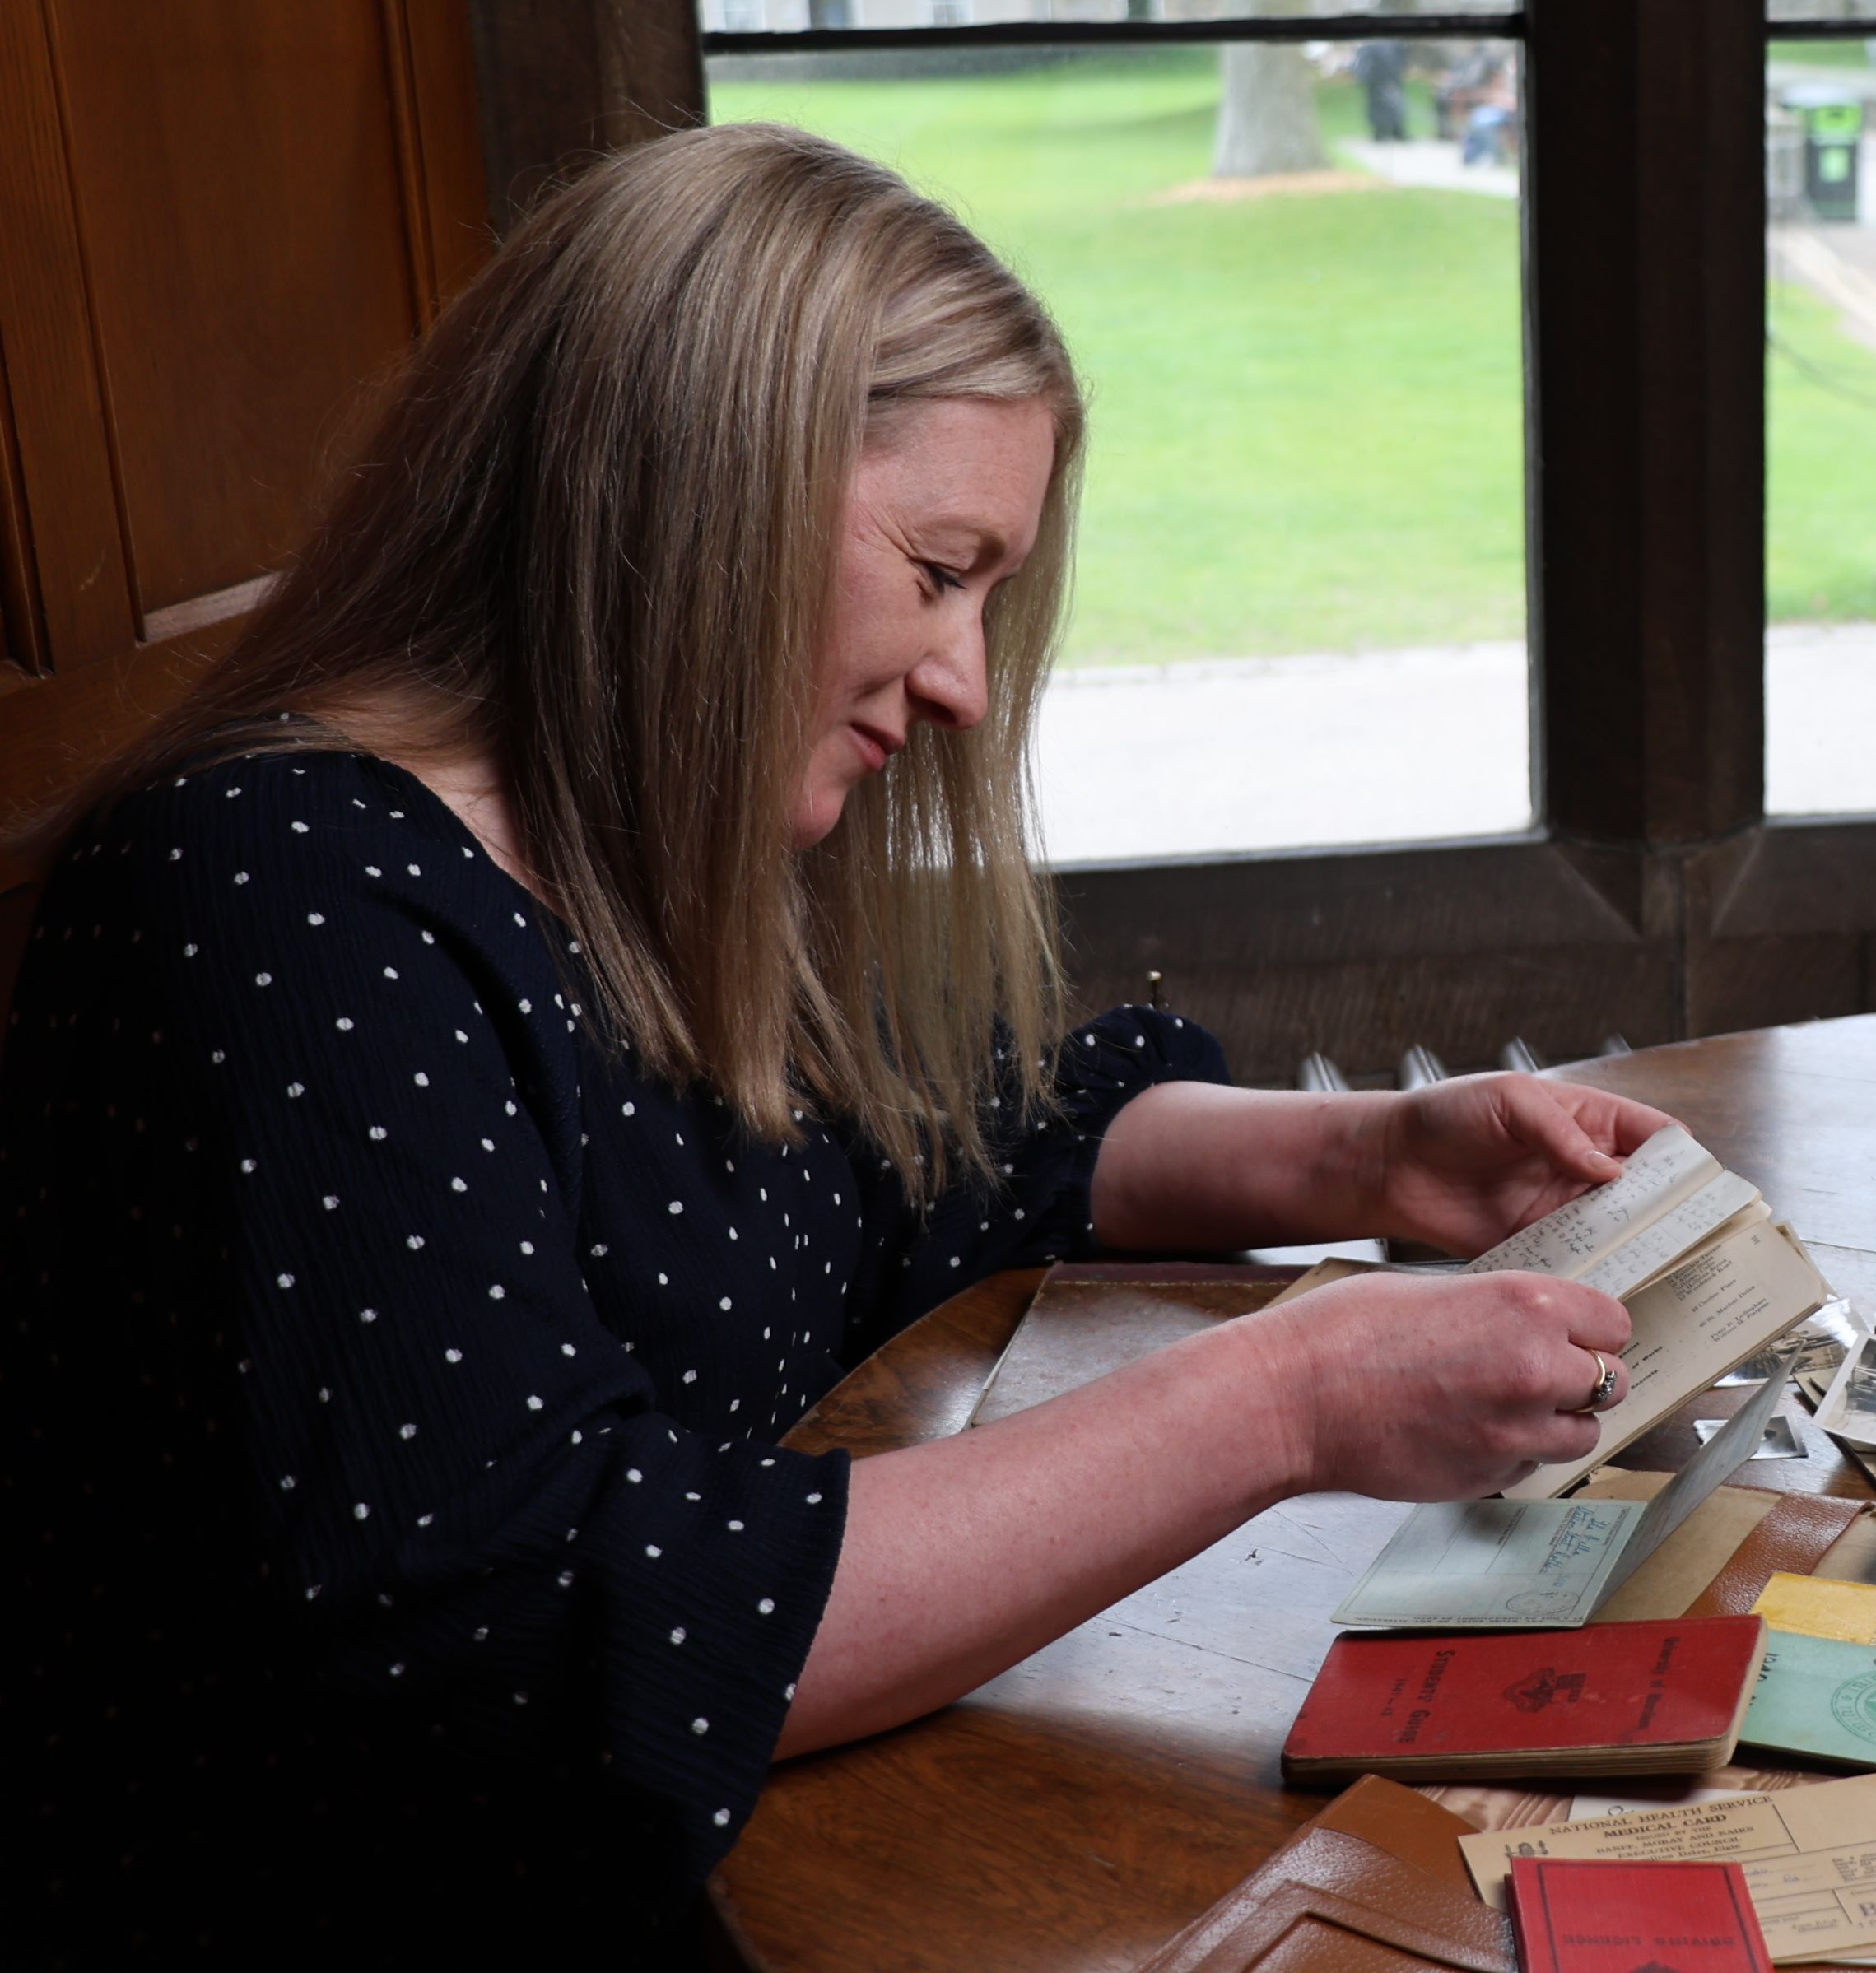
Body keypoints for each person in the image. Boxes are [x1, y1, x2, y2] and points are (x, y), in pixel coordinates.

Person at [0, 123, 1659, 1966]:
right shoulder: (275, 895)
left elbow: (940, 1147)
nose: (961, 681)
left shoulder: (629, 861)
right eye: (942, 567)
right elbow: (553, 1625)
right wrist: (1288, 1400)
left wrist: (1366, 1160)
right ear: (701, 483)